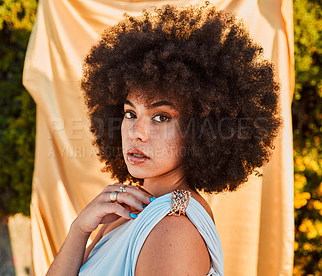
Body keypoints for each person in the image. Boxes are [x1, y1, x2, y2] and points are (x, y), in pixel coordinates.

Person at [46, 2, 282, 275]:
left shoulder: (174, 229)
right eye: (130, 113)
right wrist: (80, 229)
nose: (137, 132)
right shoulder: (125, 213)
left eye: (161, 117)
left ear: (202, 130)